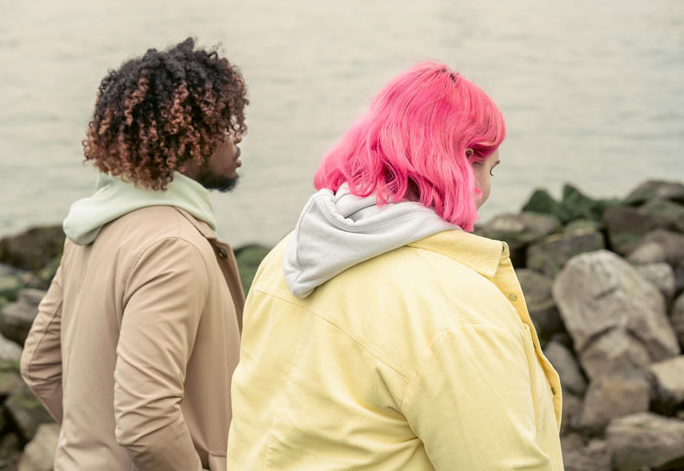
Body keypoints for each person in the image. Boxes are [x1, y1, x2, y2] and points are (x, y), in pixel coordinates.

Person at [227, 62, 563, 470]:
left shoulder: (285, 258)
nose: (486, 189)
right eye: (489, 168)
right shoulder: (458, 311)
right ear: (465, 163)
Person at [21, 38, 248, 471]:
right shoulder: (175, 247)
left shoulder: (92, 226)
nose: (237, 139)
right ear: (188, 138)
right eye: (225, 124)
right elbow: (146, 420)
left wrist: (97, 447)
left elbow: (39, 365)